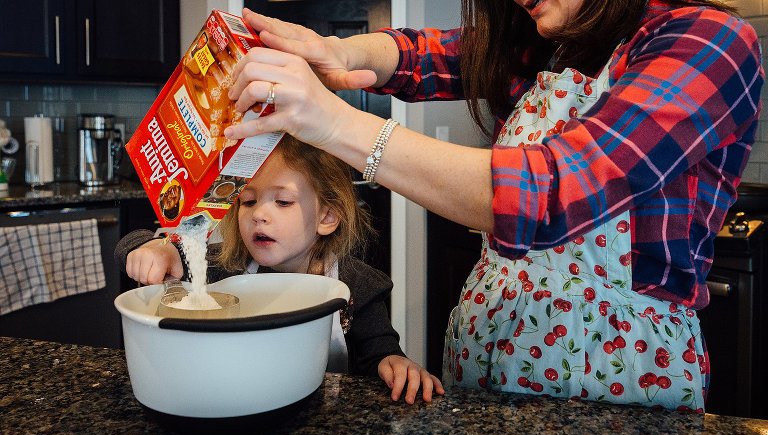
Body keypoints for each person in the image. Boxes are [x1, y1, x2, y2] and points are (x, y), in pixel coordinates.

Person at [220, 0, 764, 412]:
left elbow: (550, 194)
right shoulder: (543, 46)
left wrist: (334, 122)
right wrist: (338, 52)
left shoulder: (709, 41)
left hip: (617, 369)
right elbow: (421, 54)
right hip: (490, 341)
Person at [115, 135, 444, 405]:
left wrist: (396, 365)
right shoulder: (224, 266)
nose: (259, 214)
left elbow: (380, 356)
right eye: (248, 201)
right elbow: (137, 244)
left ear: (327, 217)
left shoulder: (356, 285)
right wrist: (153, 250)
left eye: (282, 202)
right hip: (240, 406)